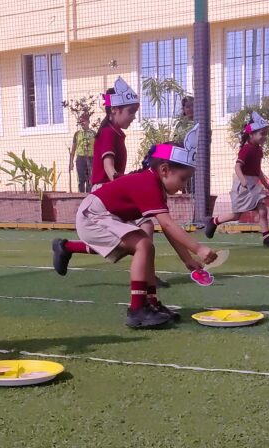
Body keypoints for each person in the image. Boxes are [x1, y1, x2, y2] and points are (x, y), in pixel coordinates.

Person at [52, 125, 217, 329]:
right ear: (164, 170)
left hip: (104, 214)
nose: (183, 185)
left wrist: (187, 259)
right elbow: (167, 223)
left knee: (145, 246)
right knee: (142, 245)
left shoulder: (155, 183)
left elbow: (167, 229)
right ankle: (138, 309)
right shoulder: (149, 184)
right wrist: (198, 249)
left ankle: (151, 303)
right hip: (93, 215)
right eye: (183, 179)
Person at [204, 111, 269, 248]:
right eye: (262, 134)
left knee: (262, 209)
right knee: (236, 215)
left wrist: (266, 184)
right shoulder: (246, 149)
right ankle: (213, 222)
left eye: (266, 134)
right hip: (242, 185)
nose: (264, 137)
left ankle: (267, 237)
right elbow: (237, 167)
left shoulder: (258, 150)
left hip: (253, 184)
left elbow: (257, 170)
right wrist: (243, 181)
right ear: (251, 134)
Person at [91, 77, 139, 187]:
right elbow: (108, 167)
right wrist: (122, 187)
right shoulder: (108, 133)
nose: (134, 117)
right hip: (104, 188)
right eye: (131, 112)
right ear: (114, 109)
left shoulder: (115, 133)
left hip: (109, 186)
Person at [69, 112, 95, 193]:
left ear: (88, 121)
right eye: (80, 121)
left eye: (83, 121)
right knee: (81, 180)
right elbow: (73, 149)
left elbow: (97, 147)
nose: (82, 123)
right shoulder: (77, 134)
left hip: (91, 158)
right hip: (80, 159)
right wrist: (71, 162)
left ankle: (88, 195)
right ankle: (81, 196)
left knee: (90, 180)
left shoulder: (93, 133)